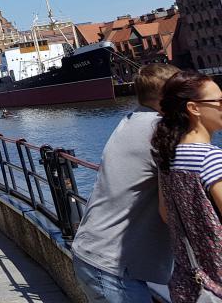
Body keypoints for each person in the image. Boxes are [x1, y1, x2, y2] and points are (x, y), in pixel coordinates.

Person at [71, 63, 179, 303]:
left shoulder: (130, 121)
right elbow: (169, 209)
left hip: (95, 253)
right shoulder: (161, 132)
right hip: (113, 266)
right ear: (168, 97)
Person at [151, 70, 222, 303]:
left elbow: (165, 214)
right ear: (194, 108)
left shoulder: (168, 156)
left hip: (188, 283)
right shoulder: (211, 159)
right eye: (219, 101)